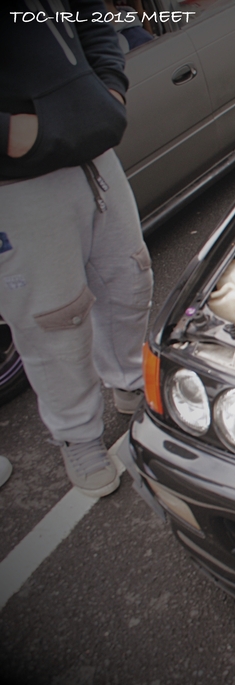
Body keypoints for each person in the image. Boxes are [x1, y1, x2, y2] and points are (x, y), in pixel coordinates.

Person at [1, 1, 153, 497]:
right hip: (19, 185)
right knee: (54, 320)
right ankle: (78, 437)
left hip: (94, 153)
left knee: (128, 278)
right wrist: (10, 134)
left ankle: (131, 382)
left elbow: (91, 15)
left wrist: (107, 89)